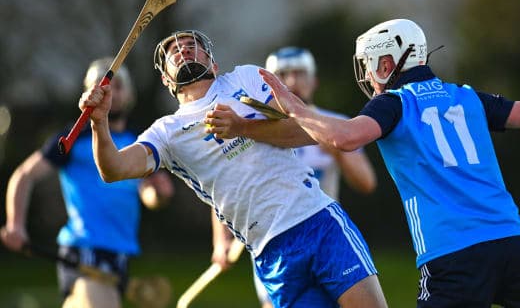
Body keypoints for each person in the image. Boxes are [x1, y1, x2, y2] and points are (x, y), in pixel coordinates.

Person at [254, 19, 520, 308]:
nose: (366, 75)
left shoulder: (394, 104)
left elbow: (345, 138)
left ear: (387, 63)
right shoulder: (467, 97)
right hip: (513, 243)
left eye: (369, 65)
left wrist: (295, 107)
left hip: (452, 254)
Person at [78, 30, 388, 308]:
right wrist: (99, 122)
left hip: (317, 221)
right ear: (165, 79)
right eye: (175, 50)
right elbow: (113, 169)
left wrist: (242, 127)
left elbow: (306, 130)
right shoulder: (166, 133)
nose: (184, 51)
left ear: (213, 63)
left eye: (192, 45)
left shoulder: (248, 79)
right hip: (270, 252)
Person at [1, 58, 174, 308]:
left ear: (129, 94)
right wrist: (15, 225)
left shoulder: (140, 140)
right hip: (83, 249)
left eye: (117, 86)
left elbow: (146, 191)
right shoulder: (72, 137)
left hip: (121, 252)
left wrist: (158, 194)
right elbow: (24, 175)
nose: (109, 93)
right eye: (100, 86)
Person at [245, 47, 377, 308]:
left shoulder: (333, 124)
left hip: (325, 236)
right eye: (283, 74)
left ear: (314, 80)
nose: (292, 82)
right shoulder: (252, 128)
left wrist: (337, 151)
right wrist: (222, 241)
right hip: (275, 244)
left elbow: (366, 182)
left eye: (300, 73)